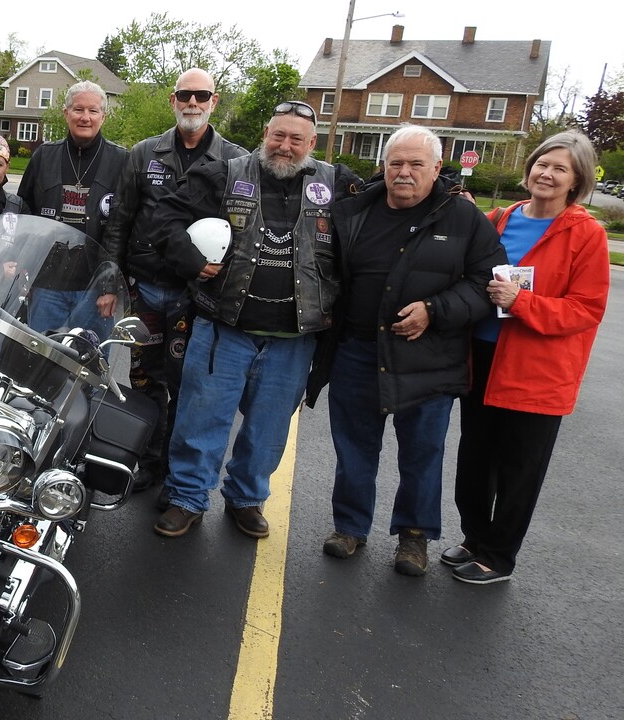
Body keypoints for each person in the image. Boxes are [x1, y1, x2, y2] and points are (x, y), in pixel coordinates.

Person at [147, 100, 360, 539]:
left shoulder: (337, 183)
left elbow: (392, 203)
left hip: (294, 337)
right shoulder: (224, 174)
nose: (285, 146)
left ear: (312, 143)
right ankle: (188, 497)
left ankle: (246, 498)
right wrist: (190, 259)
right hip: (223, 327)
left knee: (267, 430)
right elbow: (165, 217)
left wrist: (448, 189)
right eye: (278, 136)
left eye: (296, 139)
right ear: (266, 133)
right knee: (200, 419)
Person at [308, 124, 505, 576]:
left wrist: (435, 311)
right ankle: (350, 527)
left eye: (416, 164)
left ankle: (414, 538)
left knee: (422, 452)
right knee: (355, 446)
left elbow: (487, 283)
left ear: (437, 168)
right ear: (384, 166)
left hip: (428, 356)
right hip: (357, 350)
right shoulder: (354, 211)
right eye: (396, 163)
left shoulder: (464, 219)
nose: (404, 172)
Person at [446, 131, 610, 584]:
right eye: (542, 163)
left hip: (538, 369)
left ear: (575, 181)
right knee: (475, 459)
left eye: (560, 169)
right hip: (481, 357)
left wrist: (521, 302)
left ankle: (498, 557)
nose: (547, 174)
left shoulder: (586, 234)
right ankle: (475, 538)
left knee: (519, 467)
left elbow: (586, 309)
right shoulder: (499, 218)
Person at [102, 68, 247, 498]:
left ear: (214, 101)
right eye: (185, 94)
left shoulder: (235, 160)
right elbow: (120, 222)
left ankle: (176, 473)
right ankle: (148, 462)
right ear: (173, 99)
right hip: (144, 290)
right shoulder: (144, 153)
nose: (193, 103)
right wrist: (111, 281)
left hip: (195, 297)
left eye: (202, 95)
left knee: (189, 385)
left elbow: (241, 231)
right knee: (144, 380)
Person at [17, 80, 128, 338]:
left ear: (104, 116)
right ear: (66, 113)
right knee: (38, 364)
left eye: (93, 111)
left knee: (89, 368)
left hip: (95, 289)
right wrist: (26, 270)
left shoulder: (122, 160)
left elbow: (122, 228)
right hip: (47, 285)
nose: (85, 117)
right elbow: (24, 216)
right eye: (78, 110)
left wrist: (110, 287)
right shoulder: (44, 156)